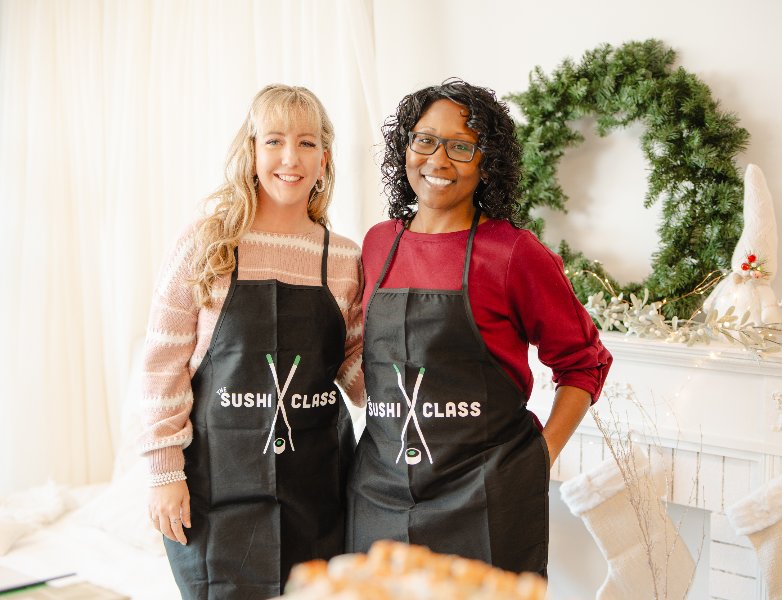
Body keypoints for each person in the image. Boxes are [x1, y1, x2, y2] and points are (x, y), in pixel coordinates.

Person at [347, 79, 612, 578]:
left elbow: (584, 361)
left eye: (461, 147)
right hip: (380, 494)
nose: (438, 160)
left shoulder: (514, 253)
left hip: (486, 499)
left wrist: (542, 455)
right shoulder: (378, 244)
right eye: (425, 140)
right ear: (405, 147)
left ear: (487, 163)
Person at [139, 84, 365, 599]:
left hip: (319, 490)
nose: (291, 158)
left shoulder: (344, 258)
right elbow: (162, 363)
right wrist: (162, 472)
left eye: (307, 143)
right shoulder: (206, 243)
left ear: (325, 159)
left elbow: (354, 363)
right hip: (214, 491)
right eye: (275, 140)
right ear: (252, 151)